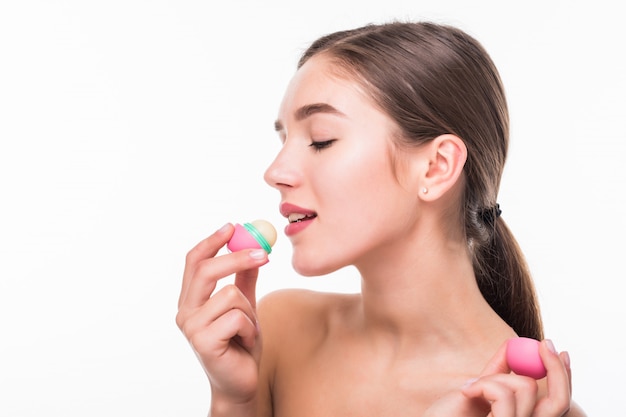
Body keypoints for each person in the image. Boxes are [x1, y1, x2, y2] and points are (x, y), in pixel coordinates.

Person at [176, 21, 586, 416]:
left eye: (321, 140)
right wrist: (235, 402)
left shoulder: (526, 405)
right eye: (284, 140)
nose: (275, 172)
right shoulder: (281, 331)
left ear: (436, 168)